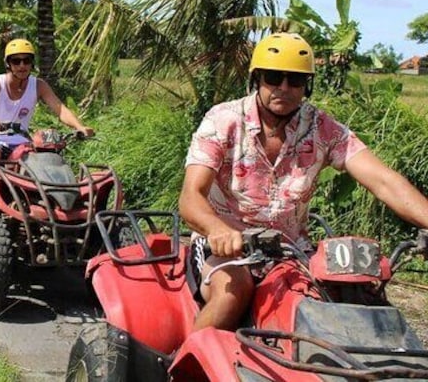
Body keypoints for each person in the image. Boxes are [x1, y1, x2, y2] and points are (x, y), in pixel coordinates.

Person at [179, 32, 428, 332]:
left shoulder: (322, 128)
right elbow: (191, 197)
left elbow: (384, 181)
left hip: (292, 252)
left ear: (306, 85)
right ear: (257, 79)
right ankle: (183, 368)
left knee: (356, 300)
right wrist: (217, 229)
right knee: (232, 293)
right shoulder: (223, 120)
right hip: (224, 248)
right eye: (274, 77)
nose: (283, 88)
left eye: (295, 80)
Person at [0, 38, 94, 166]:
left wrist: (79, 127)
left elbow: (60, 109)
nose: (22, 65)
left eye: (26, 61)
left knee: (40, 164)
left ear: (31, 63)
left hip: (20, 141)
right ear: (8, 64)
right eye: (16, 61)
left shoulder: (39, 85)